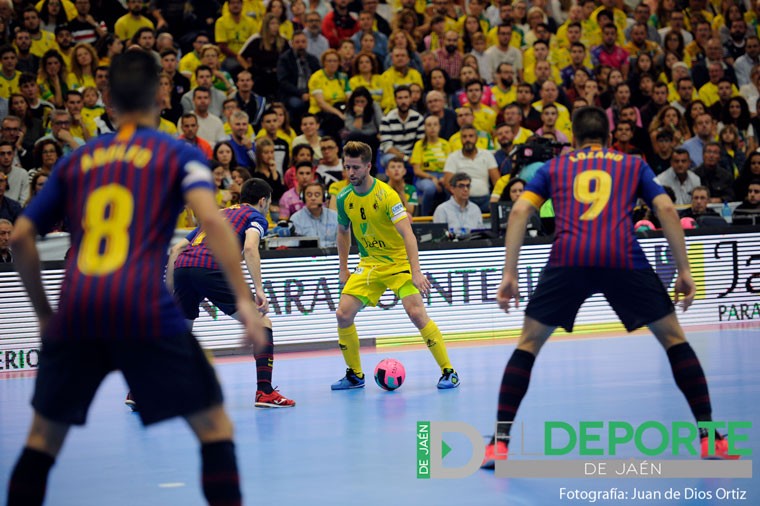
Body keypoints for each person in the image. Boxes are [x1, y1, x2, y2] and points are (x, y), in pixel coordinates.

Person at [5, 51, 262, 506]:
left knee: (42, 440)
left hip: (78, 311)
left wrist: (46, 314)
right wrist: (244, 302)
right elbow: (216, 223)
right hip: (142, 309)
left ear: (108, 100)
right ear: (161, 94)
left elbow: (21, 235)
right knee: (214, 428)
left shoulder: (77, 160)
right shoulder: (177, 154)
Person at [482, 106, 740, 468]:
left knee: (528, 344)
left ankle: (500, 443)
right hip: (622, 257)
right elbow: (666, 210)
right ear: (608, 137)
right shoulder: (632, 164)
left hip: (569, 257)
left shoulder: (555, 167)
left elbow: (521, 212)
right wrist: (684, 270)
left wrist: (509, 273)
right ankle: (710, 438)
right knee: (674, 340)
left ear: (573, 138)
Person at [332, 141, 459, 390]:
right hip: (369, 264)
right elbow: (342, 232)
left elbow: (408, 234)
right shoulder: (343, 197)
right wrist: (343, 267)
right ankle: (355, 375)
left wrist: (416, 271)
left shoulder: (387, 195)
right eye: (347, 167)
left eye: (356, 167)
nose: (351, 173)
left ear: (369, 166)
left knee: (416, 313)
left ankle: (449, 372)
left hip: (398, 262)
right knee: (343, 314)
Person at [167, 178, 295, 409]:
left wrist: (170, 287)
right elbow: (249, 248)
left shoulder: (220, 213)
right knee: (261, 322)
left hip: (183, 267)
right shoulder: (255, 217)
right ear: (263, 201)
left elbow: (177, 248)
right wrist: (259, 289)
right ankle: (265, 391)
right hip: (213, 267)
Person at [290, 181, 338, 247]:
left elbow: (343, 242)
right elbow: (295, 244)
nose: (313, 198)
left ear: (324, 197)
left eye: (317, 195)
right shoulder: (296, 219)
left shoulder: (335, 216)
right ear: (303, 198)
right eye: (309, 195)